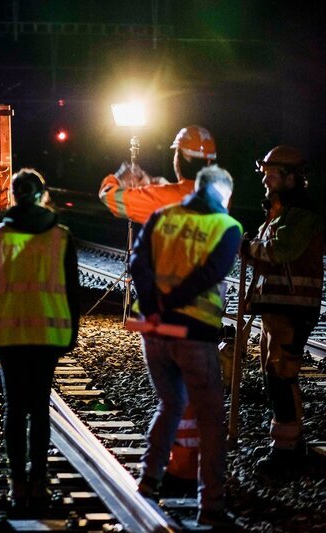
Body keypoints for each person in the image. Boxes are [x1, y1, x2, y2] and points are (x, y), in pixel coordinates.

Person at [99, 125, 218, 487]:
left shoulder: (160, 199)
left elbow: (110, 197)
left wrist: (123, 176)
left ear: (178, 157)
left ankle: (158, 475)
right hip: (201, 321)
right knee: (199, 404)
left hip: (159, 320)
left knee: (172, 401)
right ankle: (190, 476)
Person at [130, 165, 241, 528]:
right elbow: (210, 273)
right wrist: (174, 302)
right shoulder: (227, 227)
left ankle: (147, 482)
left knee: (170, 404)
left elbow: (137, 262)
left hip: (154, 332)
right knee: (210, 420)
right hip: (194, 334)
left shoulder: (162, 216)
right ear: (222, 195)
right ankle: (211, 505)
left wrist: (152, 306)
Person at [0, 168, 80, 515]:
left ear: (14, 195)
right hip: (48, 336)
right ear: (42, 194)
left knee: (15, 409)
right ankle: (39, 483)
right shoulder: (61, 237)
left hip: (8, 336)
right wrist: (71, 335)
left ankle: (17, 486)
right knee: (39, 408)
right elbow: (72, 290)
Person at [241, 145, 324, 474]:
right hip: (275, 308)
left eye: (272, 174)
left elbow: (283, 250)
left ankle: (288, 450)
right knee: (271, 374)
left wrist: (250, 247)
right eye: (265, 173)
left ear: (292, 178)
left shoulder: (303, 215)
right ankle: (283, 442)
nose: (266, 180)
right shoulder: (277, 213)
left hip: (293, 308)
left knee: (281, 375)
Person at [99, 125, 217, 225]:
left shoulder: (163, 200)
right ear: (209, 162)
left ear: (179, 158)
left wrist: (120, 177)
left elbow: (108, 196)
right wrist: (157, 182)